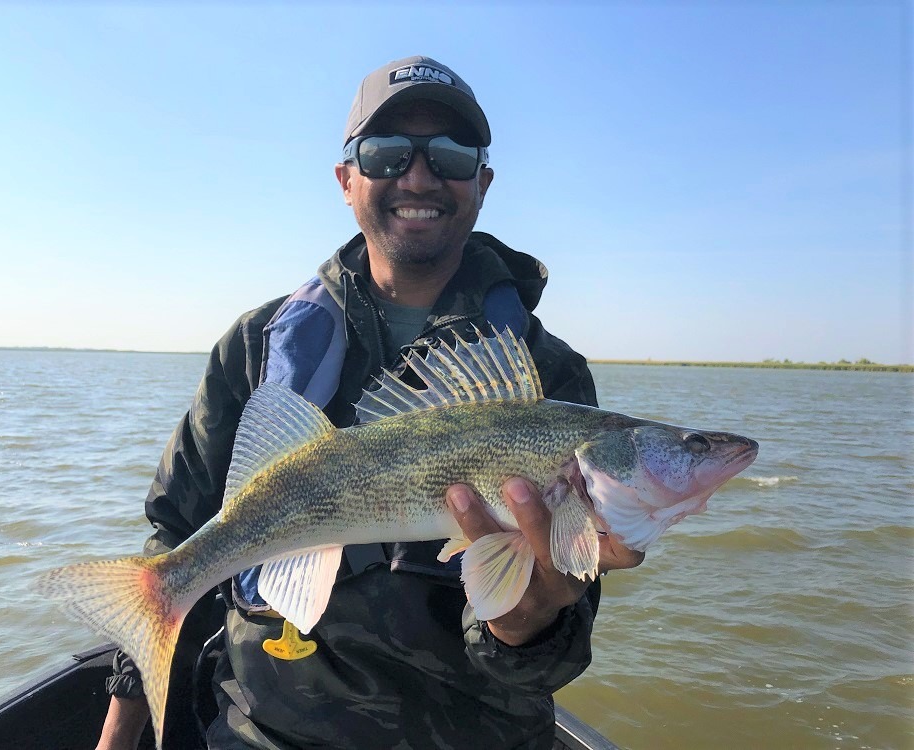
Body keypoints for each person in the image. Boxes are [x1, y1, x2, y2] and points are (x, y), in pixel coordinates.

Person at [95, 55, 643, 750]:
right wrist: (116, 736)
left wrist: (525, 621)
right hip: (264, 732)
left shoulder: (548, 377)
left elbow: (550, 659)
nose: (418, 177)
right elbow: (175, 535)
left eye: (449, 154)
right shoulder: (257, 346)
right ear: (346, 179)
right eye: (385, 154)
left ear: (483, 181)